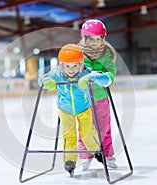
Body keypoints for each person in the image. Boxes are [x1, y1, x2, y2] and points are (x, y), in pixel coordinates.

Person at [38, 44, 112, 176]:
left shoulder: (85, 72)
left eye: (75, 66)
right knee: (69, 135)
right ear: (61, 65)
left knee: (87, 132)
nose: (71, 70)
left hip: (83, 108)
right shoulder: (57, 73)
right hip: (65, 109)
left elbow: (106, 79)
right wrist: (46, 81)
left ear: (81, 65)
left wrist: (90, 78)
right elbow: (42, 79)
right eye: (67, 66)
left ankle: (96, 151)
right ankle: (70, 161)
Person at [77, 19, 118, 171]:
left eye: (98, 39)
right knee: (85, 128)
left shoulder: (106, 53)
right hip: (84, 98)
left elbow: (110, 71)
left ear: (103, 39)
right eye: (91, 39)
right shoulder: (79, 53)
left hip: (100, 97)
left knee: (104, 127)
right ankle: (86, 155)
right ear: (85, 39)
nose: (95, 42)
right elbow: (72, 69)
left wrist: (106, 78)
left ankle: (107, 155)